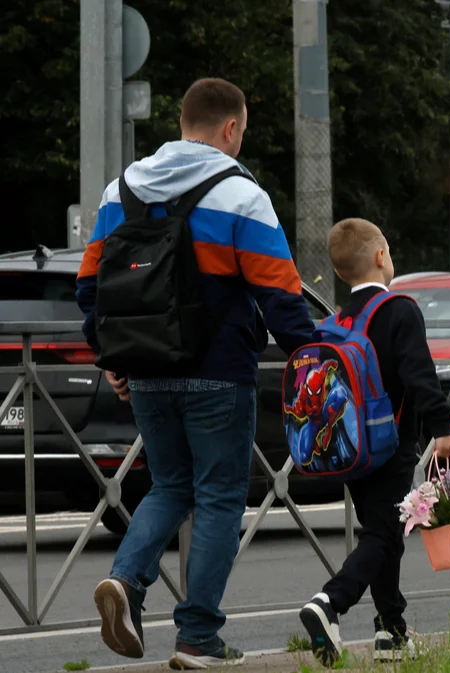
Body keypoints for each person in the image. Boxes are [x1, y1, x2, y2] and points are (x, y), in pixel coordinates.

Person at [76, 78, 316, 667]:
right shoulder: (241, 195)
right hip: (219, 374)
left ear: (183, 122)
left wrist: (114, 357)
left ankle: (126, 581)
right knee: (219, 497)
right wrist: (317, 361)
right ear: (231, 128)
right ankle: (197, 637)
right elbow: (281, 299)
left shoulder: (118, 193)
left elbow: (89, 289)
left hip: (145, 372)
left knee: (169, 486)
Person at [298, 218, 450, 665]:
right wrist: (442, 428)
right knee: (384, 535)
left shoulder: (337, 321)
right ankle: (330, 602)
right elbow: (419, 375)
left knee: (383, 534)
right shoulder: (399, 310)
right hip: (390, 446)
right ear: (382, 256)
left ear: (339, 270)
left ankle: (391, 631)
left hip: (348, 449)